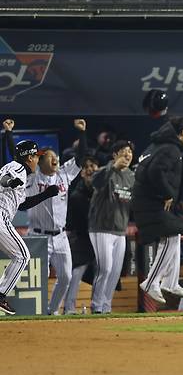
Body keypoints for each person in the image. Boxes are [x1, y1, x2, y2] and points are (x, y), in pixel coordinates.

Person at [26, 119, 88, 315]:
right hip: (38, 236)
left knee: (66, 276)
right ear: (40, 160)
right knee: (40, 278)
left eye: (56, 157)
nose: (55, 160)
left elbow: (81, 158)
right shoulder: (32, 178)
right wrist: (9, 135)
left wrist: (82, 134)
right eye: (51, 157)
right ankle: (39, 310)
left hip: (60, 237)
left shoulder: (63, 175)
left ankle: (51, 311)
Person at [133, 116, 183, 304]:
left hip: (146, 201)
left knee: (174, 234)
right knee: (170, 237)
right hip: (151, 203)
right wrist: (168, 194)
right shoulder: (170, 149)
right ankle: (152, 282)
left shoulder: (156, 146)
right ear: (181, 132)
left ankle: (170, 282)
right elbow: (155, 171)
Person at [0, 140, 58, 315]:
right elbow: (4, 179)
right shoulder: (16, 167)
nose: (37, 160)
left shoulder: (22, 173)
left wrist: (46, 194)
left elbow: (23, 204)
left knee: (20, 256)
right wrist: (10, 182)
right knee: (22, 255)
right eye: (35, 156)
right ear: (29, 157)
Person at [88, 141, 135, 314]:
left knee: (115, 272)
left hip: (120, 229)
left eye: (130, 152)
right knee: (105, 268)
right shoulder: (104, 171)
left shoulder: (131, 176)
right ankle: (96, 305)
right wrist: (113, 167)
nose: (128, 155)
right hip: (101, 228)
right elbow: (96, 183)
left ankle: (106, 306)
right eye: (124, 151)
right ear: (115, 155)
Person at [63, 156, 100, 314]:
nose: (91, 169)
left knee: (101, 272)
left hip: (99, 239)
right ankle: (69, 308)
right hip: (82, 240)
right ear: (82, 173)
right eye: (87, 167)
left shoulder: (102, 191)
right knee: (76, 273)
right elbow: (75, 223)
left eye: (94, 166)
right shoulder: (76, 195)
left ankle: (98, 307)